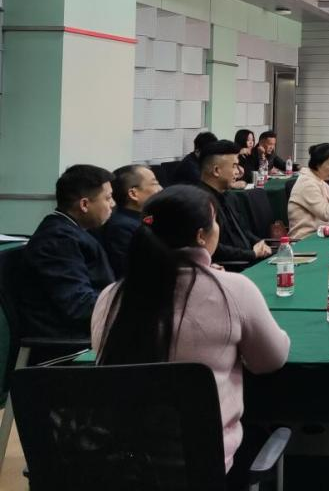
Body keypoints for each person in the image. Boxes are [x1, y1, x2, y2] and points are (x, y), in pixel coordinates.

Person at [91, 185, 290, 475]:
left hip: (118, 463)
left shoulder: (110, 296)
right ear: (200, 236)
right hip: (203, 464)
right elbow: (270, 360)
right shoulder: (233, 290)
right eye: (215, 222)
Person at [18, 165, 115, 339]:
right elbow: (79, 306)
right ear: (84, 204)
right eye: (108, 198)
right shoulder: (58, 240)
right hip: (71, 337)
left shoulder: (70, 230)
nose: (112, 204)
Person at [198, 140, 272, 265]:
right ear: (216, 170)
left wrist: (259, 243)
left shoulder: (230, 197)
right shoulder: (199, 203)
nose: (238, 172)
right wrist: (251, 254)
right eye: (234, 166)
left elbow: (243, 230)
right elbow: (213, 248)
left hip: (248, 259)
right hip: (231, 267)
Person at [96, 164, 162, 278]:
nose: (161, 188)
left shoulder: (142, 218)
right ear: (133, 194)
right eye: (154, 183)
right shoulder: (122, 227)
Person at [287, 143, 329, 240]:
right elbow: (326, 214)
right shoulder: (307, 184)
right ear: (318, 163)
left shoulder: (322, 183)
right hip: (304, 240)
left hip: (322, 235)